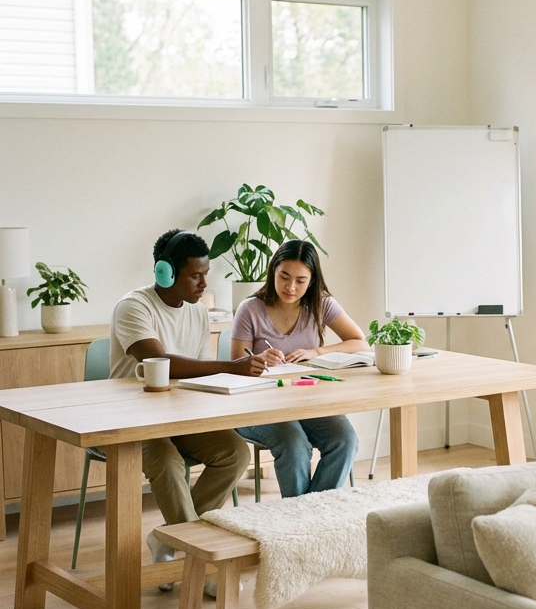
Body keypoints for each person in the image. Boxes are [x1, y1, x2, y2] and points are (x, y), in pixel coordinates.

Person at [110, 229, 266, 585]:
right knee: (166, 460)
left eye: (205, 274)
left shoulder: (197, 312)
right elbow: (161, 362)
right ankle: (205, 561)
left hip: (180, 415)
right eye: (195, 275)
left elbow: (197, 375)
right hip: (132, 419)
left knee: (235, 453)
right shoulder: (133, 307)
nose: (203, 284)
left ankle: (168, 536)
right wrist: (231, 367)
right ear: (165, 272)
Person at [230, 239, 364, 497]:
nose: (291, 287)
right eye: (284, 277)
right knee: (293, 444)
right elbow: (235, 366)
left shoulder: (321, 304)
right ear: (273, 272)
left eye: (301, 281)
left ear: (312, 281)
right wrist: (259, 359)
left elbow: (360, 343)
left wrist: (316, 352)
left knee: (345, 441)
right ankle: (302, 520)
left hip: (307, 400)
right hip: (258, 405)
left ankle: (310, 517)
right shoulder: (250, 309)